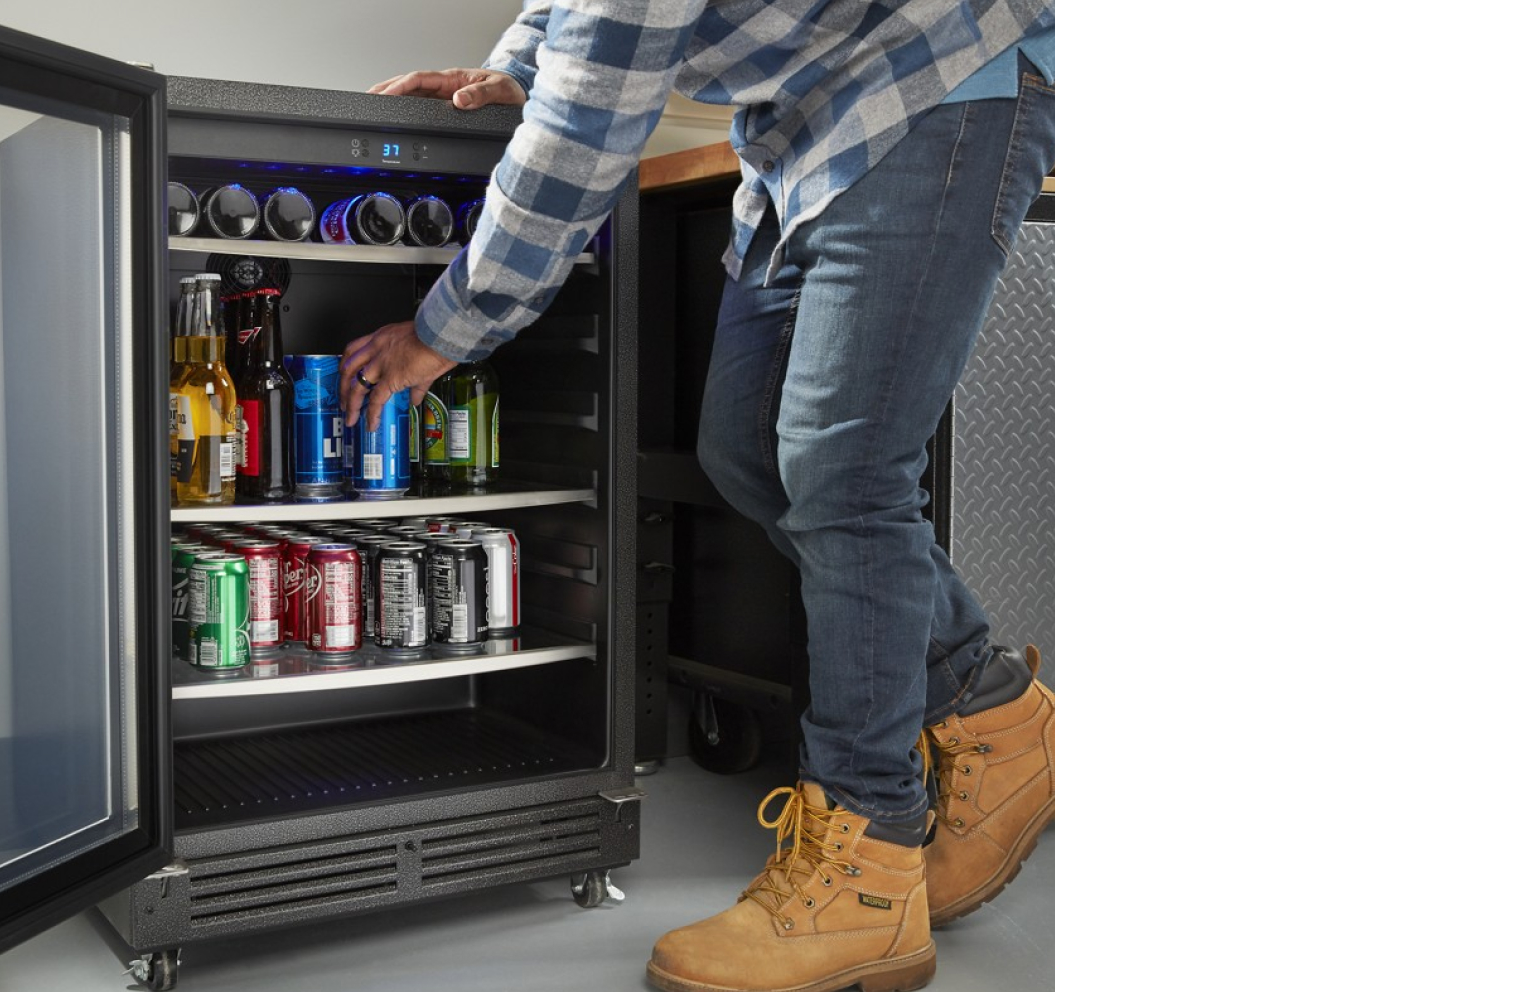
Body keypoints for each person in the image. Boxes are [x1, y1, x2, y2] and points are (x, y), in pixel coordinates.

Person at [343, 2, 1056, 990]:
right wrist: (514, 67)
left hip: (933, 77)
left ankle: (866, 864)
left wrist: (444, 330)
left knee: (846, 471)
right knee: (747, 450)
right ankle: (989, 707)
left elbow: (588, 127)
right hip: (802, 122)